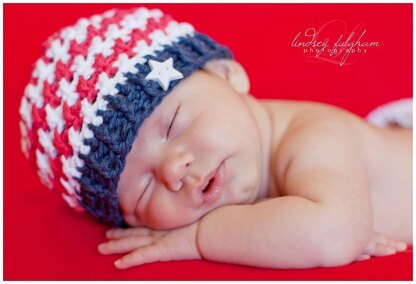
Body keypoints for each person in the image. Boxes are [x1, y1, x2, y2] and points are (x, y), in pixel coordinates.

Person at [19, 7, 412, 270]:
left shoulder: (314, 136)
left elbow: (333, 233)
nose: (174, 169)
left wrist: (201, 237)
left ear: (226, 74)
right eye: (141, 191)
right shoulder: (259, 174)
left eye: (173, 124)